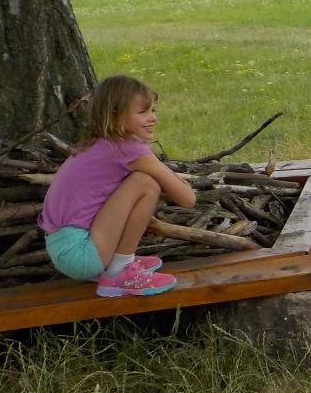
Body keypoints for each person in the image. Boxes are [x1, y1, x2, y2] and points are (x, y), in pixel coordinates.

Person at [38, 74, 195, 296]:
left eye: (153, 110)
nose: (153, 118)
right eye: (143, 112)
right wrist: (168, 176)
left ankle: (116, 263)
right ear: (115, 114)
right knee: (146, 183)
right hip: (80, 253)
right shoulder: (128, 150)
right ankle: (119, 272)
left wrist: (166, 175)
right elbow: (188, 199)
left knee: (145, 178)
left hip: (66, 247)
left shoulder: (103, 144)